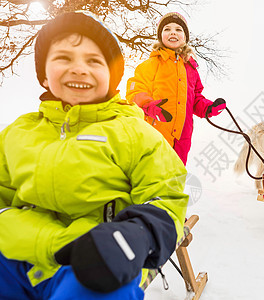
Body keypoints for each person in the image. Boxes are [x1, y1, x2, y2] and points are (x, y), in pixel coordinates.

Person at [0, 11, 189, 299]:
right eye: (63, 58)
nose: (78, 68)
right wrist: (148, 103)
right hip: (15, 253)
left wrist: (139, 233)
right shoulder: (18, 132)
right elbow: (139, 87)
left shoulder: (132, 133)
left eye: (93, 61)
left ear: (111, 76)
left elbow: (166, 194)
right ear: (44, 75)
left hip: (95, 260)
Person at [126, 12, 226, 165]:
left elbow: (195, 98)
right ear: (160, 36)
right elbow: (135, 89)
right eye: (167, 29)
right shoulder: (151, 64)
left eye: (179, 29)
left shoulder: (191, 69)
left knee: (175, 176)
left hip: (182, 138)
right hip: (154, 132)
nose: (173, 32)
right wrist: (148, 104)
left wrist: (208, 108)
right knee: (150, 175)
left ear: (185, 37)